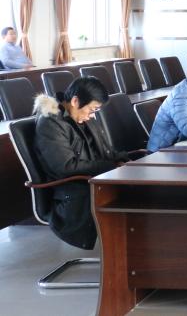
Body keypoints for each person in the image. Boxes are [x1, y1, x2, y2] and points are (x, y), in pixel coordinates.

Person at [33, 77, 139, 249]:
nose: (92, 115)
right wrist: (112, 166)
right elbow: (66, 166)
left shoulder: (82, 117)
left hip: (94, 181)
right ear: (75, 101)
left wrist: (125, 160)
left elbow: (106, 153)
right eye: (92, 109)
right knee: (136, 196)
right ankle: (125, 253)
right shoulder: (50, 123)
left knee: (142, 185)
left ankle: (136, 249)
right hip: (76, 194)